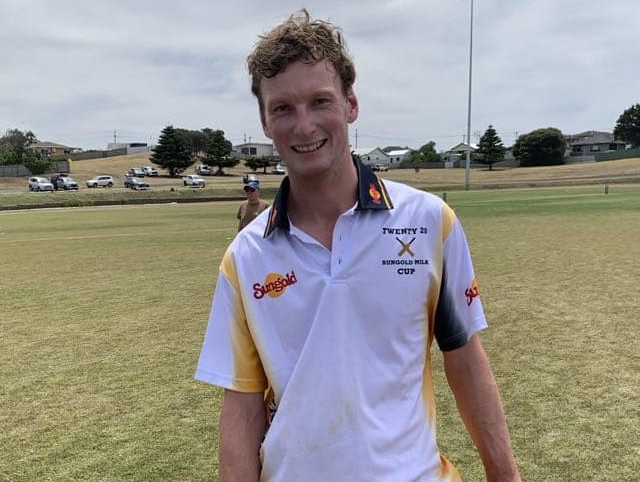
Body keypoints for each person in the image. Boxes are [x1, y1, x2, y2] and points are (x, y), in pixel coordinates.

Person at [196, 9, 521, 482]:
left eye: (320, 101)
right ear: (265, 121)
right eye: (283, 107)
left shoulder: (430, 222)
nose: (303, 126)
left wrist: (505, 475)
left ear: (351, 104)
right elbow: (243, 405)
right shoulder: (245, 257)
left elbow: (465, 358)